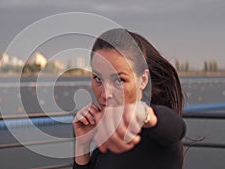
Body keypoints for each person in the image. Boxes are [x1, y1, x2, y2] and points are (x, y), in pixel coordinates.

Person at [73, 28, 186, 169]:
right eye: (98, 78)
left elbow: (177, 127)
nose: (105, 94)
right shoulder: (109, 140)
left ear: (143, 80)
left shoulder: (159, 136)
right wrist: (82, 144)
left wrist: (144, 113)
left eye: (119, 80)